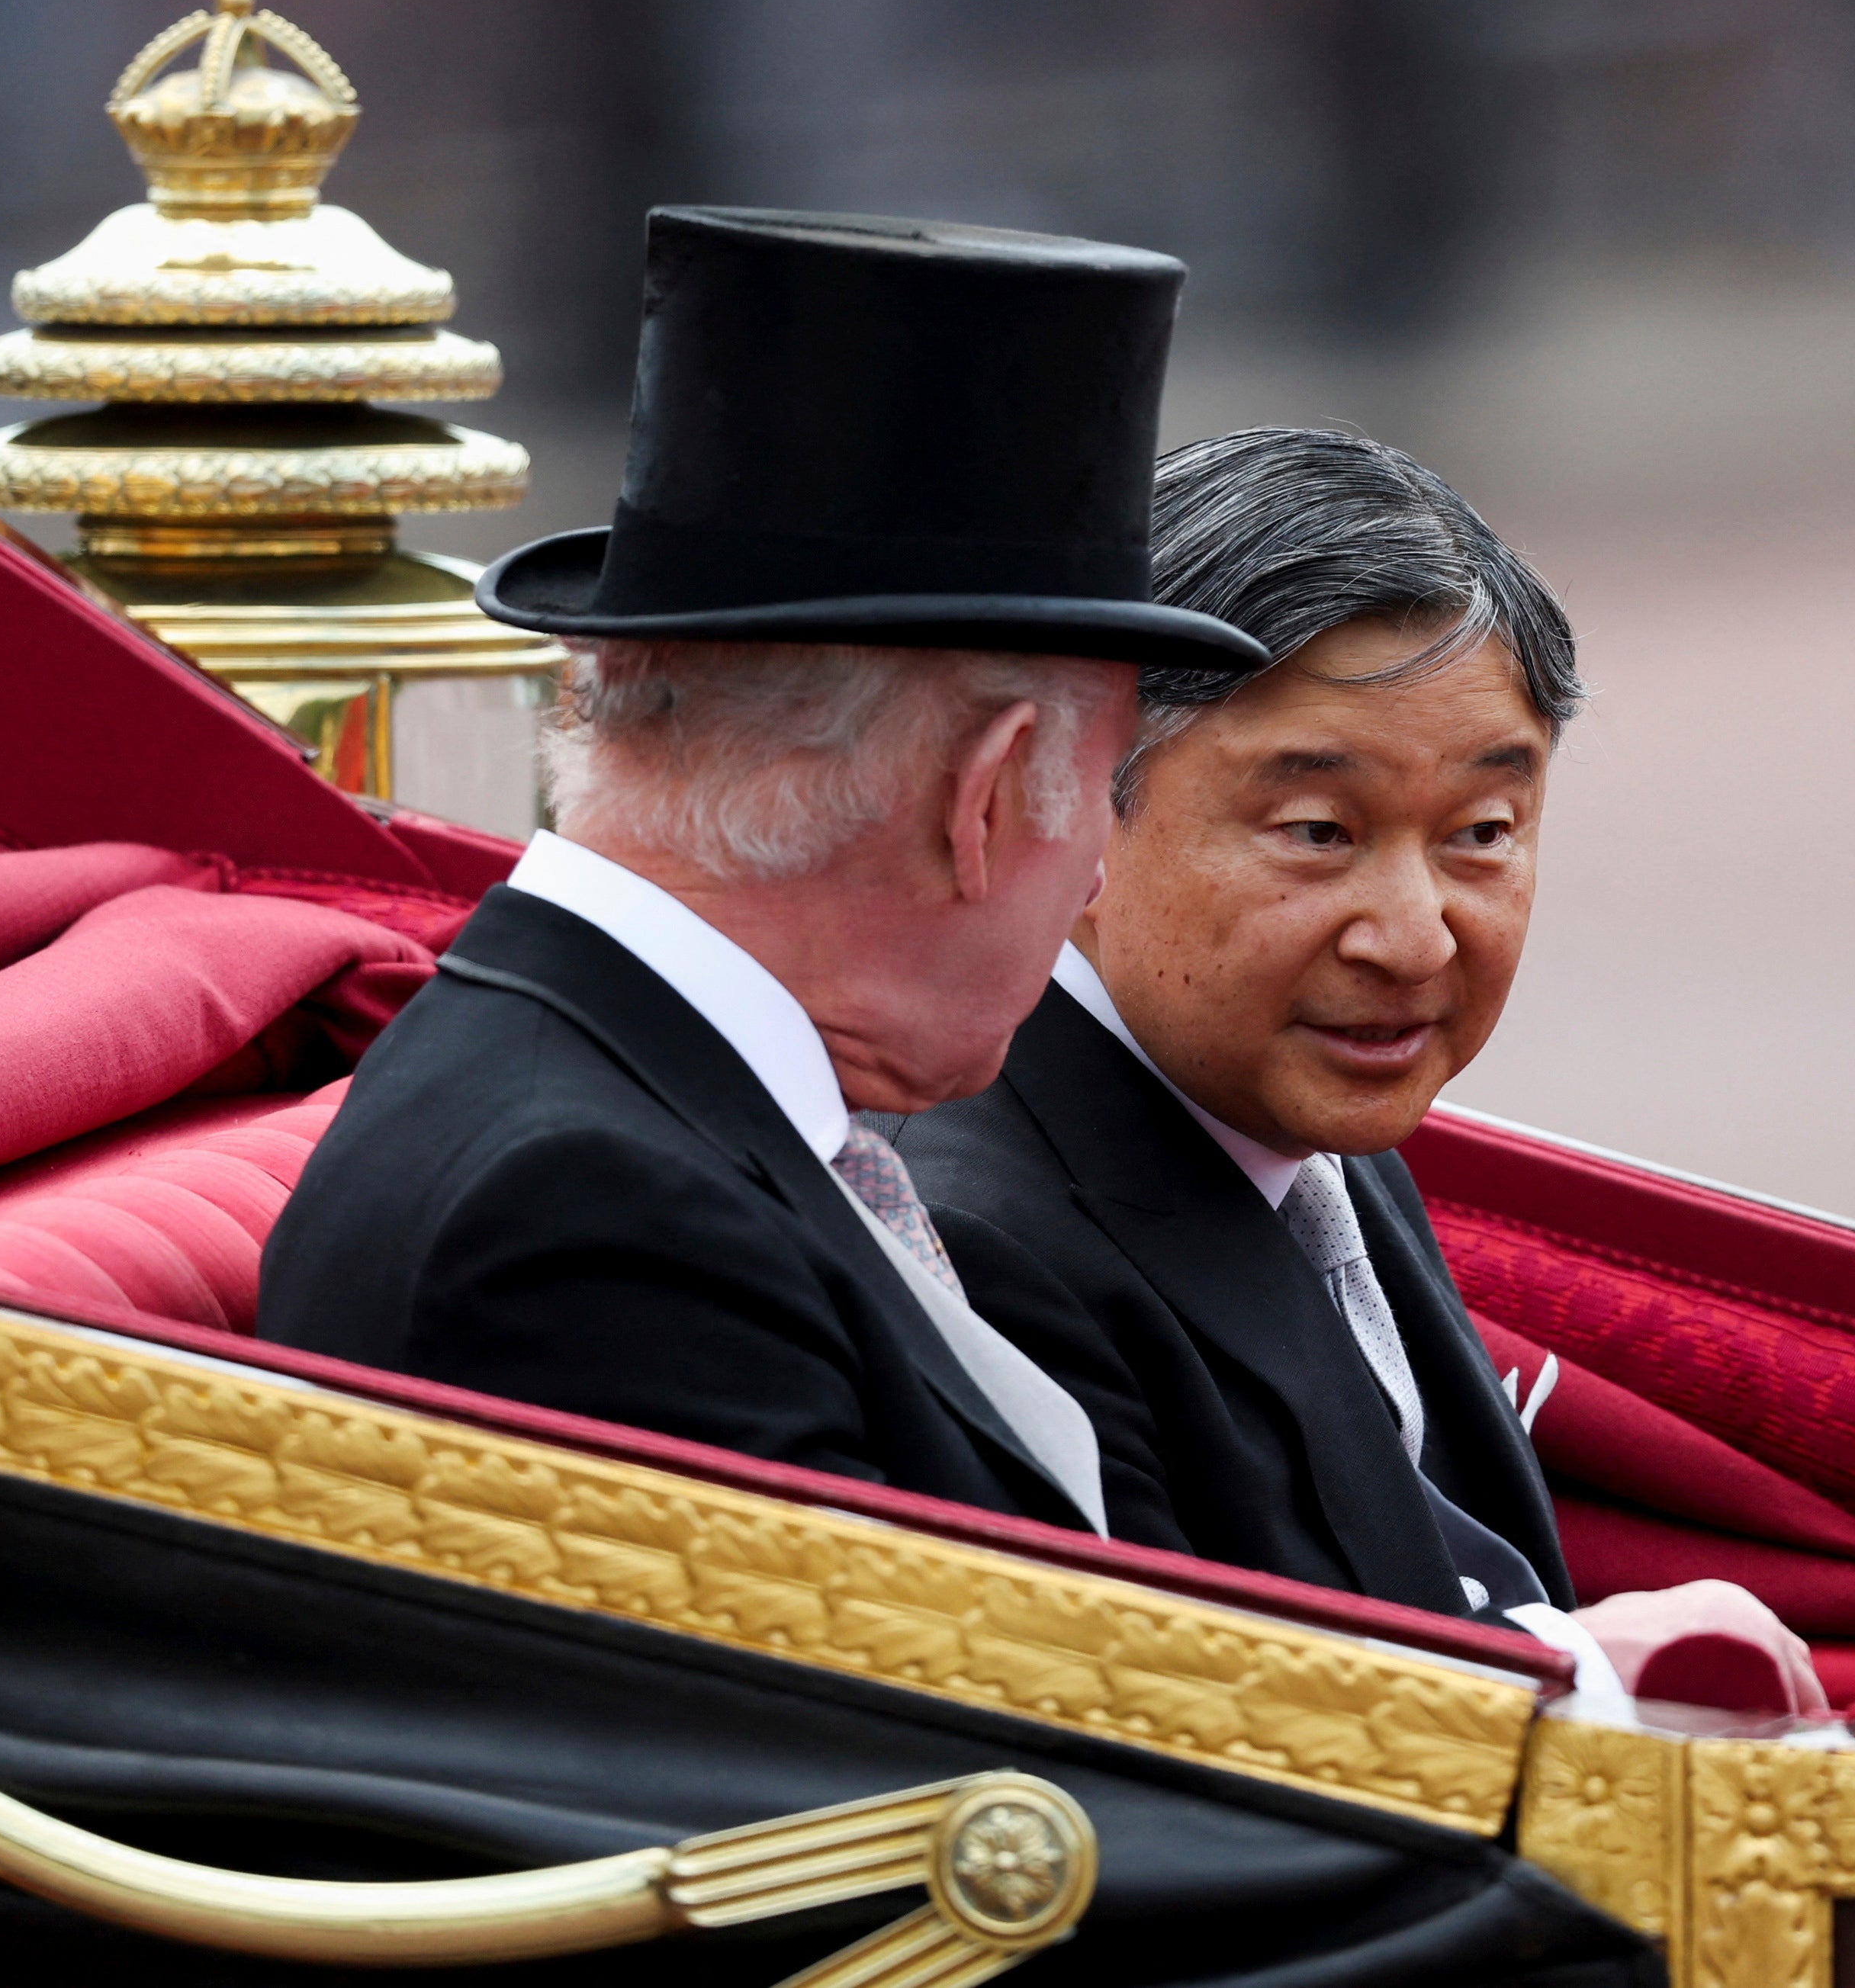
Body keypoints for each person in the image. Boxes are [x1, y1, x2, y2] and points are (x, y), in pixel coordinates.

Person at [251, 208, 1262, 1534]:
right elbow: (903, 1731)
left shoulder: (618, 1093)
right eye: (1103, 800)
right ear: (990, 793)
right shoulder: (593, 1213)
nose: (1091, 888)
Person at [899, 426, 1819, 1707]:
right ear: (1063, 810)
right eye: (1319, 832)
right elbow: (1174, 1744)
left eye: (1482, 833)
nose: (1415, 935)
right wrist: (1577, 1679)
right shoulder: (979, 1245)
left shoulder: (1302, 1126)